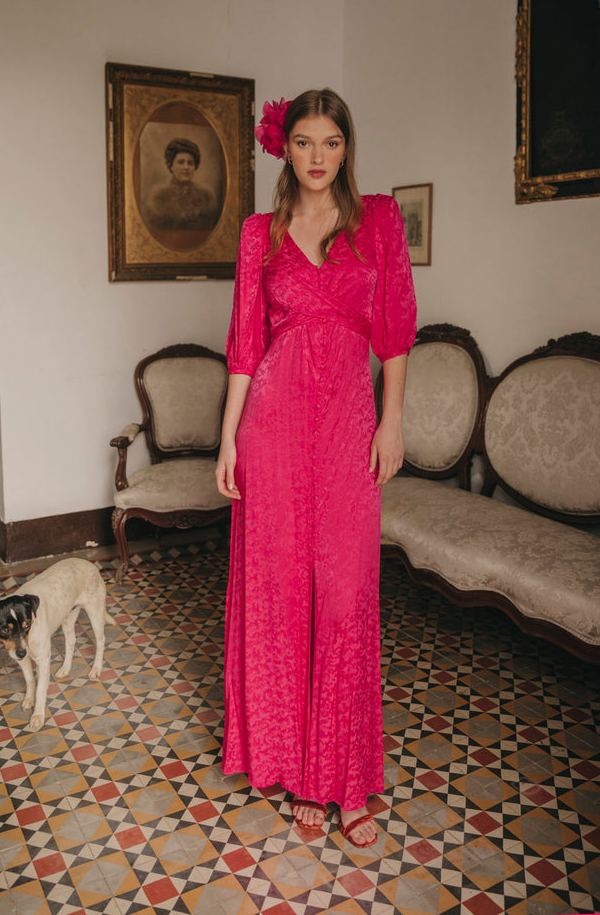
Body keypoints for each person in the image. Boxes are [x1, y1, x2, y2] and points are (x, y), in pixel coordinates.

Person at [215, 89, 416, 848]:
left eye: (330, 142)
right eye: (303, 141)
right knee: (281, 597)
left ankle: (346, 777)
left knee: (342, 596)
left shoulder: (379, 224)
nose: (317, 156)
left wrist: (391, 420)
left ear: (347, 148)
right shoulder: (258, 235)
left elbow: (394, 331)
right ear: (285, 149)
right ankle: (302, 777)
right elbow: (243, 348)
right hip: (269, 429)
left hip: (344, 434)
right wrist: (228, 441)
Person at [146, 137, 217, 241]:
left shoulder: (207, 195)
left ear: (195, 166)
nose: (186, 167)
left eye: (190, 163)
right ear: (171, 166)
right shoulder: (159, 195)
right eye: (181, 162)